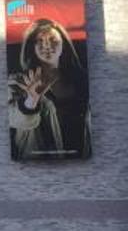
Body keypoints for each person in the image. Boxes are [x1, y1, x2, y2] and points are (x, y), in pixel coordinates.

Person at [8, 17, 92, 161]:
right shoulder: (18, 82)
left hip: (81, 160)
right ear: (31, 47)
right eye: (39, 41)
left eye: (53, 40)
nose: (47, 45)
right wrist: (30, 101)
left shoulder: (82, 80)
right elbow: (14, 118)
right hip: (38, 166)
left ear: (63, 45)